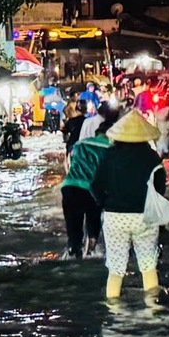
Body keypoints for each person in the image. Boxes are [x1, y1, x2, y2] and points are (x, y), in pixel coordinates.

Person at [90, 108, 167, 299]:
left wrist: (105, 203)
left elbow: (95, 185)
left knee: (115, 269)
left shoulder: (109, 156)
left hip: (115, 216)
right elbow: (160, 188)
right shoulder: (152, 157)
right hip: (145, 216)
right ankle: (152, 311)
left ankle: (113, 310)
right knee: (149, 266)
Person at [60, 104, 117, 259]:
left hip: (69, 187)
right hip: (91, 189)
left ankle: (73, 252)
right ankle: (90, 250)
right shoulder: (111, 149)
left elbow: (70, 162)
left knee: (74, 234)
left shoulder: (80, 144)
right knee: (93, 224)